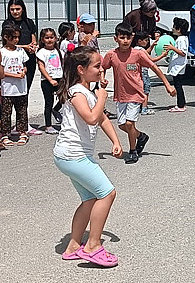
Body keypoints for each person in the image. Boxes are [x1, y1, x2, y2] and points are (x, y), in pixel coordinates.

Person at [53, 46, 122, 267]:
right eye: (97, 66)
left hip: (73, 155)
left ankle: (73, 246)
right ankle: (93, 245)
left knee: (90, 198)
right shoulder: (76, 92)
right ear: (81, 69)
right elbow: (92, 117)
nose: (102, 70)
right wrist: (102, 94)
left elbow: (102, 118)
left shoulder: (88, 92)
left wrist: (116, 141)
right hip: (73, 156)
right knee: (107, 193)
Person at [101, 23, 176, 164]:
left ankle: (133, 151)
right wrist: (102, 79)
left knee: (129, 124)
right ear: (115, 38)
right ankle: (141, 136)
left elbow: (155, 67)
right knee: (122, 125)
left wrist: (168, 85)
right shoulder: (112, 55)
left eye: (128, 37)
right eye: (122, 37)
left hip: (136, 94)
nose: (125, 41)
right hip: (120, 95)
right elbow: (103, 67)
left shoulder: (138, 54)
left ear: (132, 38)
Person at [3, 0, 42, 136]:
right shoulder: (7, 24)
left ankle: (23, 123)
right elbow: (8, 43)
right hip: (12, 62)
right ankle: (9, 124)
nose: (15, 11)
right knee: (11, 93)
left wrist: (33, 46)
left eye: (17, 9)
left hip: (28, 61)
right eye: (12, 9)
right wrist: (24, 46)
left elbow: (33, 36)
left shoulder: (29, 22)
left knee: (25, 91)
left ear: (23, 9)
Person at [1, 23, 30, 146]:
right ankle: (5, 134)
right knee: (6, 113)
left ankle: (22, 132)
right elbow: (1, 73)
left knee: (22, 111)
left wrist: (23, 71)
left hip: (21, 88)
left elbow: (25, 65)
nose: (16, 40)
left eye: (18, 37)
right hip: (7, 89)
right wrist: (15, 76)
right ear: (6, 37)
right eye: (14, 37)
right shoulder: (2, 52)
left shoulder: (20, 51)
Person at [36, 28, 64, 134]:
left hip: (59, 78)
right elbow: (41, 67)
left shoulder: (58, 51)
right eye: (46, 38)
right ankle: (48, 125)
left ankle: (56, 110)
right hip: (47, 81)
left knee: (64, 98)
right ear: (42, 39)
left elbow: (62, 64)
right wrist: (50, 79)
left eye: (51, 37)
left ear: (55, 38)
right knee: (49, 102)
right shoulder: (41, 52)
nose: (49, 40)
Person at [131, 31, 166, 115]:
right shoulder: (141, 50)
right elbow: (151, 59)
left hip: (137, 73)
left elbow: (146, 52)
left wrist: (153, 46)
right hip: (144, 73)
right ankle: (144, 108)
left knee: (138, 90)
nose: (147, 42)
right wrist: (162, 55)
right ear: (140, 41)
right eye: (146, 40)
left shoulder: (135, 49)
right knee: (145, 91)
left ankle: (139, 107)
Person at [166, 17, 190, 113]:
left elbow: (183, 52)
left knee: (178, 85)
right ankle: (181, 103)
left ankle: (181, 105)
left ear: (179, 29)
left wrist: (172, 48)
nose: (172, 28)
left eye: (174, 27)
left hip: (179, 66)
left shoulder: (181, 39)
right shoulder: (181, 38)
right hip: (178, 65)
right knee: (178, 84)